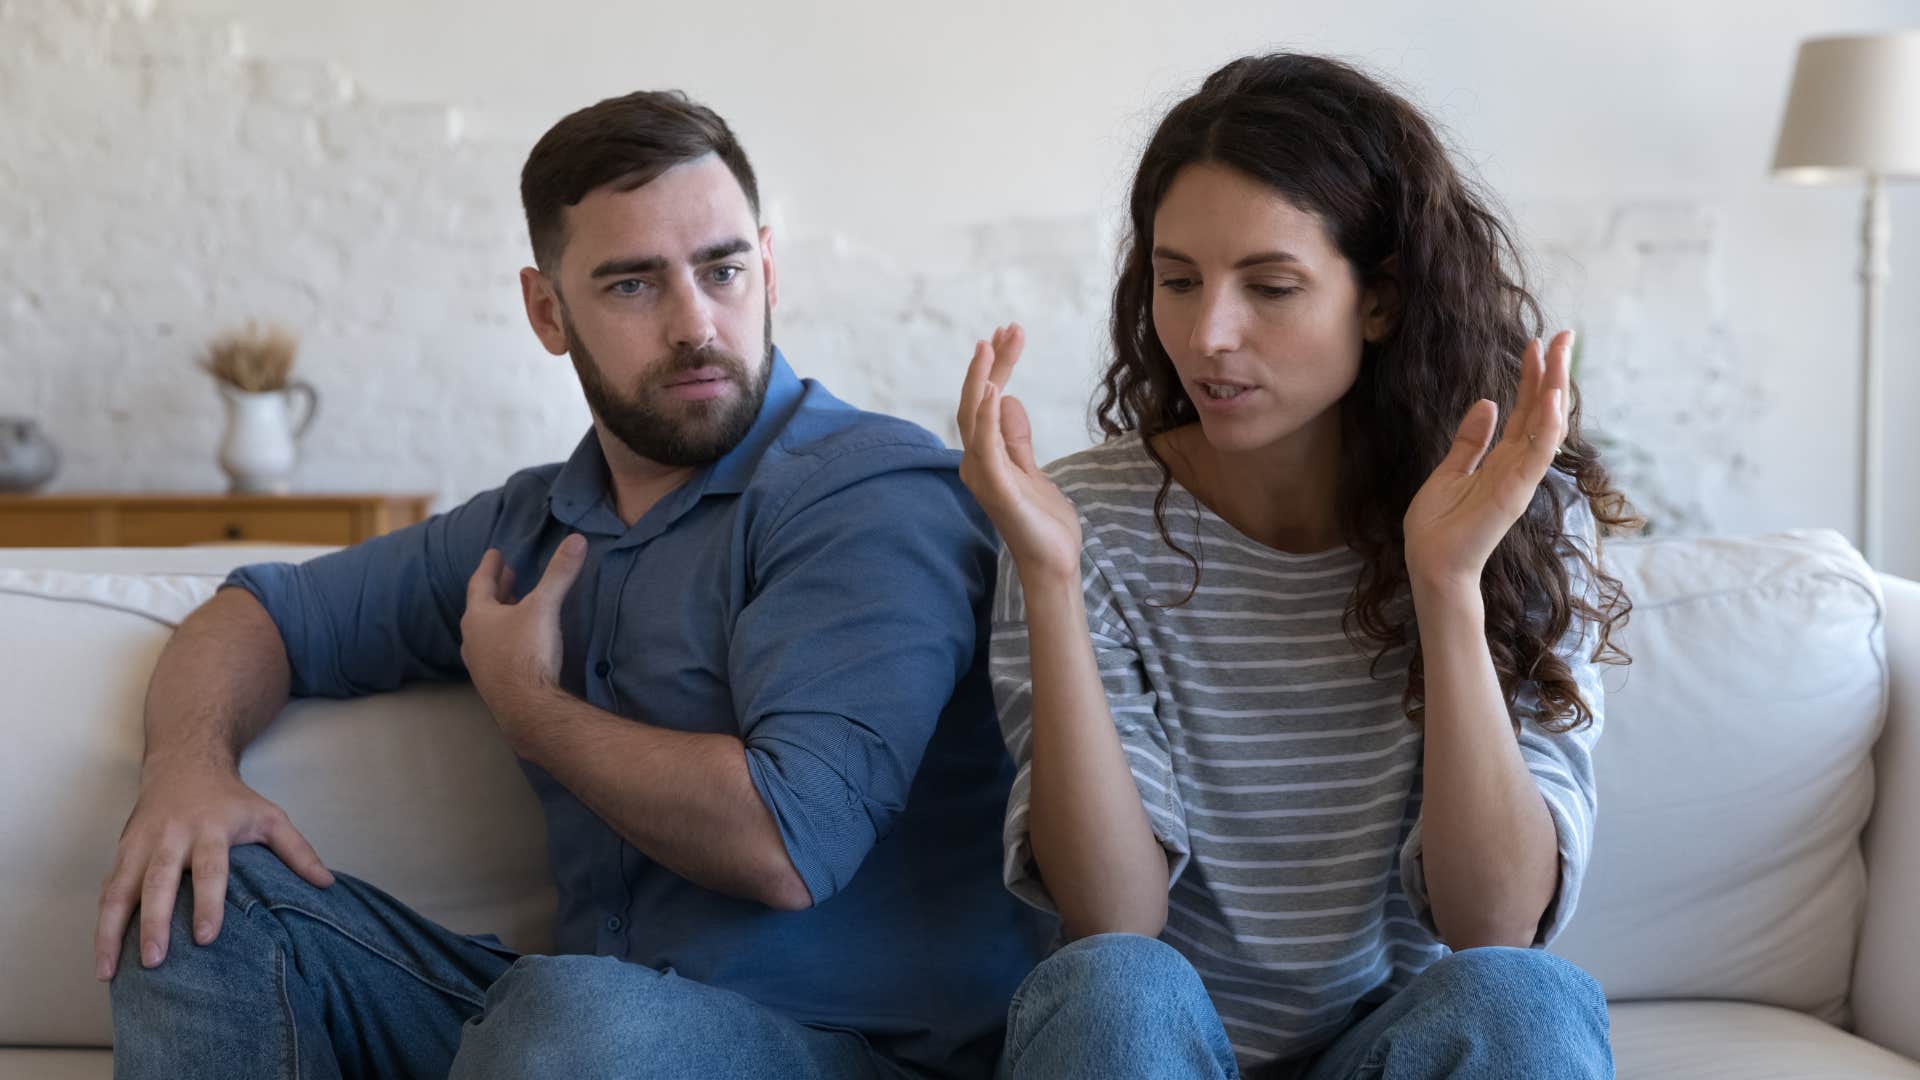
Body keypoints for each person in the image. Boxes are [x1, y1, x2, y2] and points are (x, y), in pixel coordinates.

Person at [100, 88, 1045, 1079]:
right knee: (204, 890)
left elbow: (787, 841)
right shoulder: (529, 527)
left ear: (768, 268)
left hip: (852, 1055)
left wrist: (532, 710)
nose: (696, 325)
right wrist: (186, 774)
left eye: (722, 271)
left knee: (574, 1020)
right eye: (633, 286)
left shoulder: (867, 496)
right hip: (570, 1040)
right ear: (547, 311)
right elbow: (256, 615)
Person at [956, 53, 1634, 1079]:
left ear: (1381, 298)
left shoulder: (1516, 514)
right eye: (1176, 281)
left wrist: (1446, 587)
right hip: (1158, 1048)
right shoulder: (1077, 518)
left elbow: (1494, 924)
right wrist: (1051, 579)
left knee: (1521, 999)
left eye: (1269, 286)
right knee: (1114, 987)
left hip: (1389, 1051)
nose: (1206, 335)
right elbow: (1112, 922)